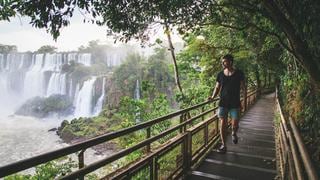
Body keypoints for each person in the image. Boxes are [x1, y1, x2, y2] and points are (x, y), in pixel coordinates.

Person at [209, 54, 246, 153]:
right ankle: (223, 145)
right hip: (223, 103)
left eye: (224, 61)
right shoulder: (220, 74)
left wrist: (244, 100)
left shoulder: (239, 73)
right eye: (222, 61)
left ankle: (234, 132)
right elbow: (217, 87)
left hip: (235, 103)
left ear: (230, 62)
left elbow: (243, 88)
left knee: (235, 124)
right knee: (222, 124)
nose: (223, 63)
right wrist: (212, 97)